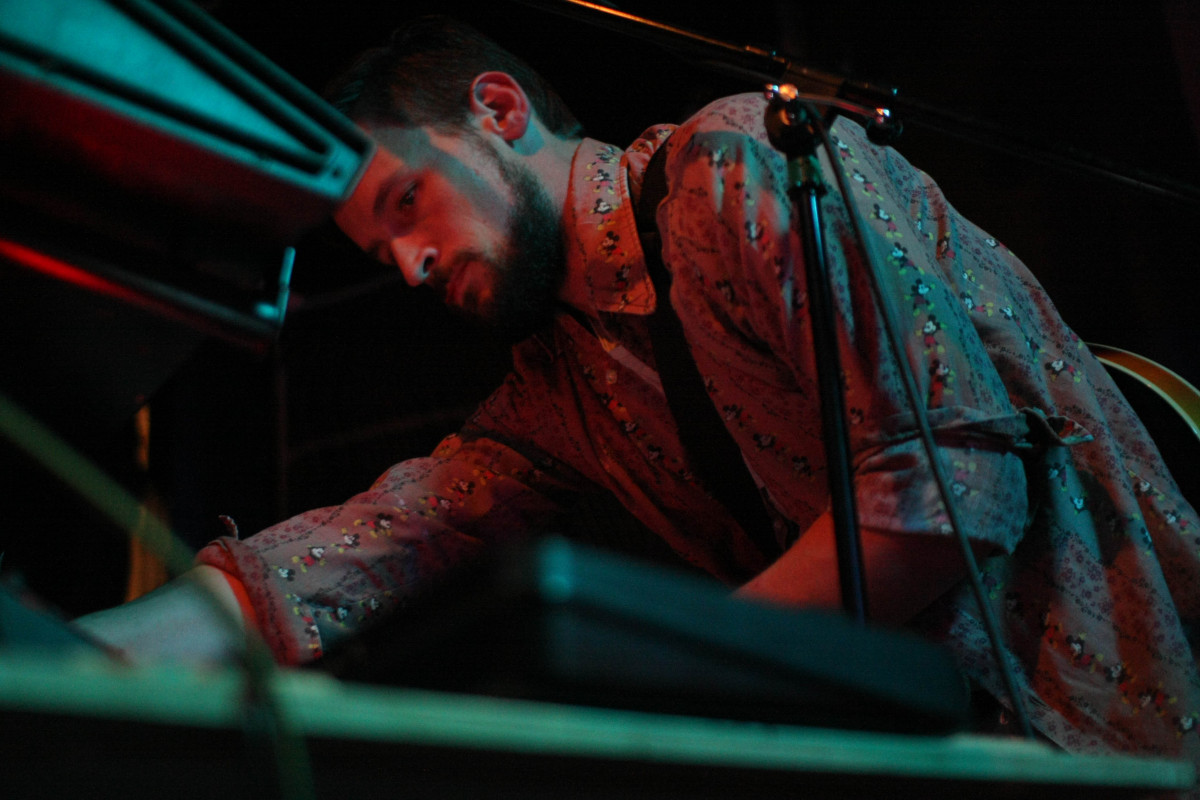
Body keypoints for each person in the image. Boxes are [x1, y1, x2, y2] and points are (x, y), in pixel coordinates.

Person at [76, 15, 1200, 766]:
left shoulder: (735, 160)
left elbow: (951, 489)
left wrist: (689, 660)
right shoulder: (560, 388)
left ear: (499, 109)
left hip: (1114, 718)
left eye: (407, 204)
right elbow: (372, 541)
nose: (410, 266)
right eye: (381, 253)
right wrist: (77, 653)